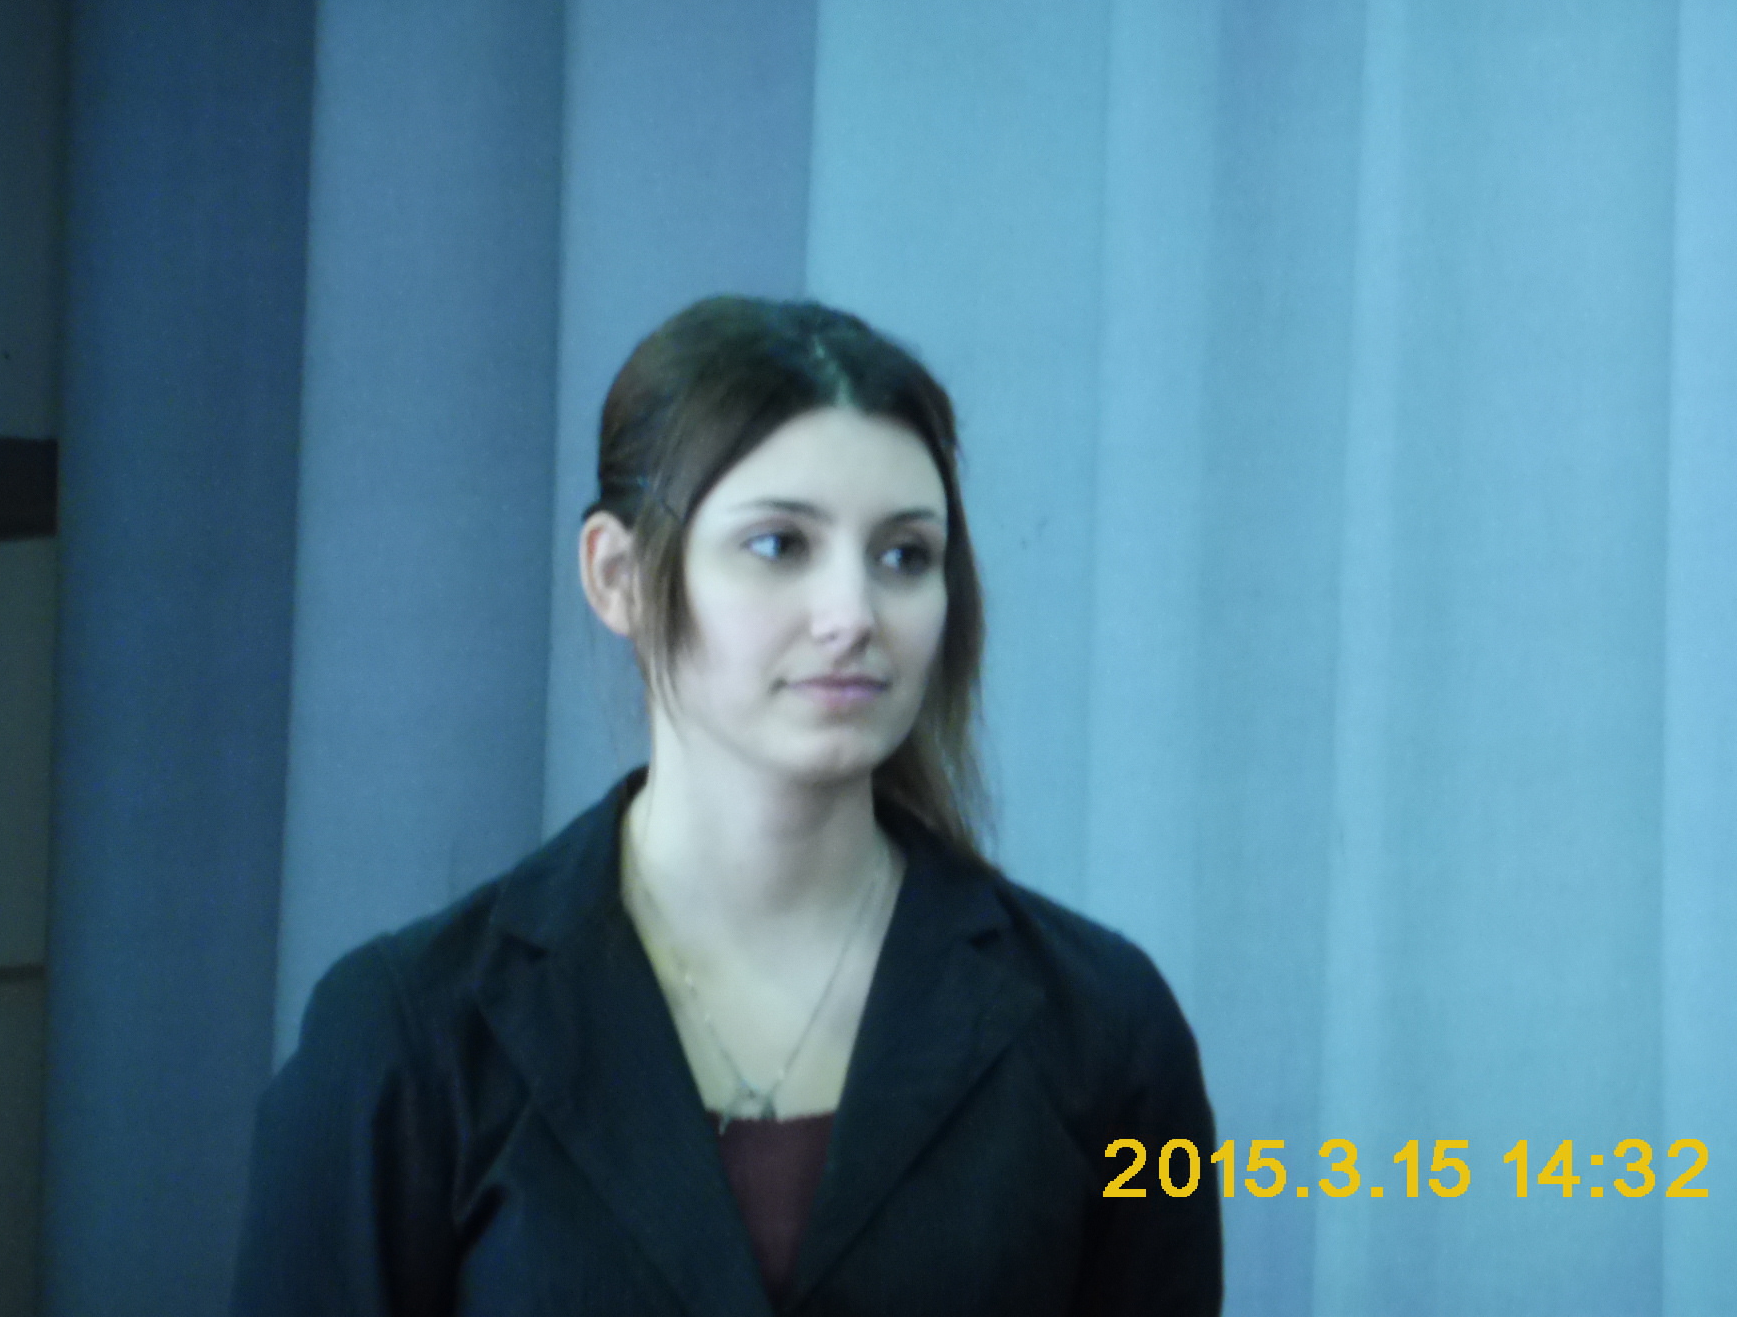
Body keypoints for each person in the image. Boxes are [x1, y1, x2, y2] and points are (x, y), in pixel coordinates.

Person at [230, 295, 1222, 1315]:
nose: (852, 615)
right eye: (778, 545)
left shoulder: (1105, 1031)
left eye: (903, 555)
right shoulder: (409, 1036)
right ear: (616, 575)